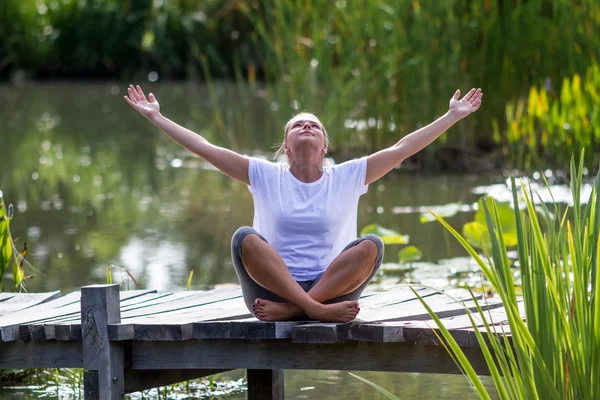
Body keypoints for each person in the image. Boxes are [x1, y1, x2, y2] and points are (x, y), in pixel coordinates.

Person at [124, 85, 483, 322]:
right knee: (244, 238)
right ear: (287, 146)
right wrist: (156, 117)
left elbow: (404, 147)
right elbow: (204, 147)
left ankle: (296, 310)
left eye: (315, 125)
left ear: (324, 146)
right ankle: (311, 309)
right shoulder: (264, 175)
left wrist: (452, 115)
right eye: (299, 125)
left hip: (332, 290)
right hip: (270, 292)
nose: (308, 126)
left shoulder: (348, 176)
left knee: (371, 246)